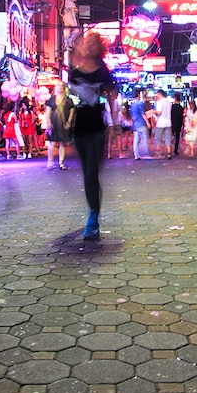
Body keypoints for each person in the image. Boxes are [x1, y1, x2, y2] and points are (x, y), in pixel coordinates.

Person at [68, 32, 115, 239]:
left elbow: (113, 96)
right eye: (88, 43)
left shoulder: (104, 73)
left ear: (100, 48)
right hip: (80, 129)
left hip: (97, 128)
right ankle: (92, 213)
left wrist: (115, 124)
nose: (89, 45)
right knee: (87, 173)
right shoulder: (74, 73)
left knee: (91, 173)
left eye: (93, 43)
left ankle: (93, 218)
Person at [46, 82, 73, 169]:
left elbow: (72, 111)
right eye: (58, 86)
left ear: (64, 88)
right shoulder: (52, 99)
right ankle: (50, 161)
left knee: (63, 143)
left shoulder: (68, 100)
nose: (59, 88)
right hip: (54, 124)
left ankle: (61, 162)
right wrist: (49, 123)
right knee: (52, 142)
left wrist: (69, 122)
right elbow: (48, 112)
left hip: (64, 124)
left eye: (61, 86)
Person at [151, 89, 173, 159]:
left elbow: (159, 112)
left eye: (157, 95)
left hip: (160, 123)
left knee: (158, 138)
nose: (156, 96)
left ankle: (162, 153)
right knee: (168, 138)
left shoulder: (160, 102)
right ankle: (169, 153)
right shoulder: (169, 102)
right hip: (168, 122)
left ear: (160, 94)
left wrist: (153, 111)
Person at [130, 88, 150, 159]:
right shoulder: (140, 103)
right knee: (144, 139)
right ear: (139, 94)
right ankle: (145, 153)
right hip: (141, 123)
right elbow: (142, 114)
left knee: (136, 140)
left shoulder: (132, 104)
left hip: (135, 125)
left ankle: (136, 155)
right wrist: (147, 122)